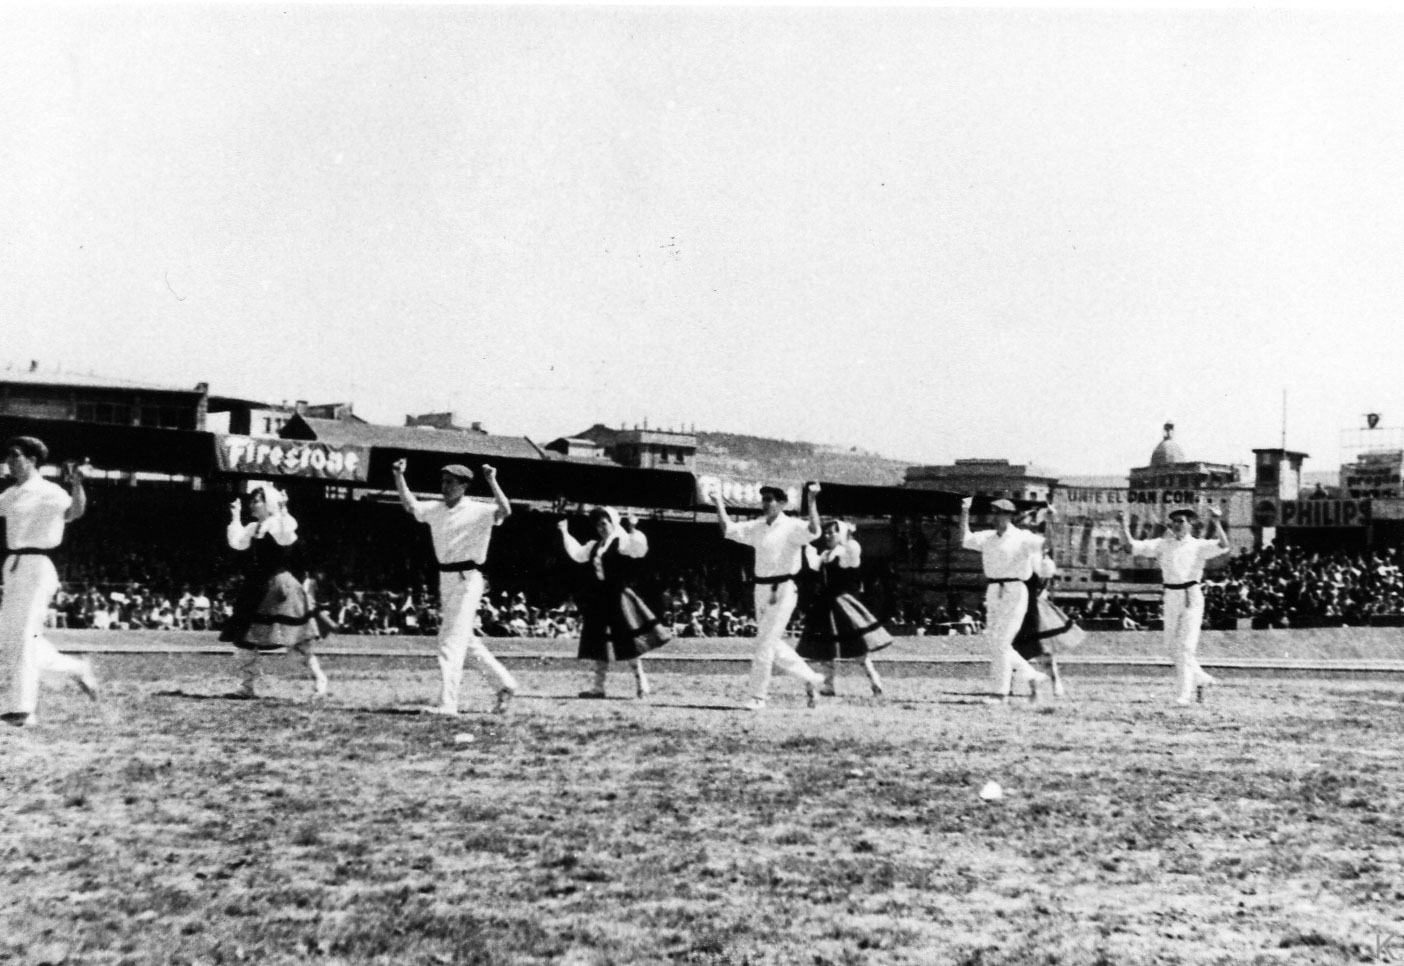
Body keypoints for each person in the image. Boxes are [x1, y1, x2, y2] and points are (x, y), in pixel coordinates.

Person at [393, 459, 518, 715]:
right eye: (443, 481)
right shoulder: (436, 508)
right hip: (446, 577)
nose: (445, 486)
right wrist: (398, 475)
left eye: (450, 482)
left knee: (449, 640)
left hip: (467, 578)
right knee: (465, 642)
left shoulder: (479, 510)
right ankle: (504, 684)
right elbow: (409, 505)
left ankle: (448, 703)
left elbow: (505, 510)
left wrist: (492, 480)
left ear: (464, 486)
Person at [0, 436, 99, 728]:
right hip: (13, 565)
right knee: (11, 637)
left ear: (32, 459)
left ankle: (22, 709)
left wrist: (77, 485)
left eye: (15, 455)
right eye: (8, 456)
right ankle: (75, 668)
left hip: (38, 564)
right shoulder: (11, 493)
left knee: (23, 637)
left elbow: (74, 512)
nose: (9, 460)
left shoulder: (49, 491)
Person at [714, 482, 826, 710]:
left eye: (770, 499)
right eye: (763, 499)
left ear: (782, 503)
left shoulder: (792, 525)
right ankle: (811, 678)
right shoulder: (757, 526)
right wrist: (718, 502)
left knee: (764, 644)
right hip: (761, 589)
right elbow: (728, 529)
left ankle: (758, 696)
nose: (765, 504)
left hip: (783, 589)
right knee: (770, 643)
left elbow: (815, 531)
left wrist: (812, 500)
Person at [220, 482, 329, 699]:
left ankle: (320, 680)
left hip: (279, 586)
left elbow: (287, 532)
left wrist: (283, 509)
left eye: (256, 501)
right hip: (257, 585)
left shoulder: (277, 523)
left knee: (296, 639)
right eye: (251, 501)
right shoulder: (254, 527)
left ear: (268, 503)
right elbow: (237, 543)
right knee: (244, 636)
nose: (252, 504)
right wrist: (235, 515)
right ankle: (247, 686)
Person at [1118, 505, 1230, 705]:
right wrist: (1122, 525)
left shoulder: (1198, 545)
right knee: (1170, 647)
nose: (1177, 525)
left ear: (1190, 524)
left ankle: (1184, 695)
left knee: (1185, 647)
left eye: (1181, 521)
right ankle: (1201, 678)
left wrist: (1216, 521)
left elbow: (1223, 545)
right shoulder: (1162, 544)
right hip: (1171, 595)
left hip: (1190, 595)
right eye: (1174, 521)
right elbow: (1130, 547)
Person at [558, 506, 671, 699]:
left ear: (613, 523)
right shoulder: (594, 546)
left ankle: (641, 683)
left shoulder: (621, 542)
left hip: (619, 597)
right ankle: (598, 687)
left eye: (604, 524)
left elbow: (638, 550)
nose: (601, 528)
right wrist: (564, 532)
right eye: (598, 525)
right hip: (600, 598)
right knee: (599, 643)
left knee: (629, 641)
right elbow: (577, 554)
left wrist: (633, 528)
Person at [960, 496, 1052, 703]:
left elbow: (1046, 543)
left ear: (1010, 516)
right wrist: (965, 511)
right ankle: (1032, 676)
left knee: (1001, 643)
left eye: (1000, 513)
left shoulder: (1023, 537)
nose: (995, 517)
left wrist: (1051, 520)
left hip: (1015, 590)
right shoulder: (988, 537)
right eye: (993, 513)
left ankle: (1000, 693)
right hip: (994, 590)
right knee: (995, 642)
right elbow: (965, 538)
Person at [797, 519, 892, 697]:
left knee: (857, 647)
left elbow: (854, 553)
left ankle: (874, 680)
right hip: (824, 604)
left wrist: (848, 536)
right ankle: (828, 685)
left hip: (842, 604)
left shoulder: (846, 552)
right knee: (826, 648)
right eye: (826, 533)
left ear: (840, 534)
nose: (827, 536)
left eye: (831, 532)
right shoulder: (825, 554)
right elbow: (813, 564)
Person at [1010, 507, 1084, 698]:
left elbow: (1045, 571)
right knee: (1012, 645)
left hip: (1034, 603)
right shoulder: (1011, 543)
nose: (1026, 528)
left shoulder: (1035, 547)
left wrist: (1051, 521)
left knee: (1043, 647)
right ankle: (1009, 685)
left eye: (1029, 525)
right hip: (1015, 599)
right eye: (1022, 524)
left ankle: (1055, 681)